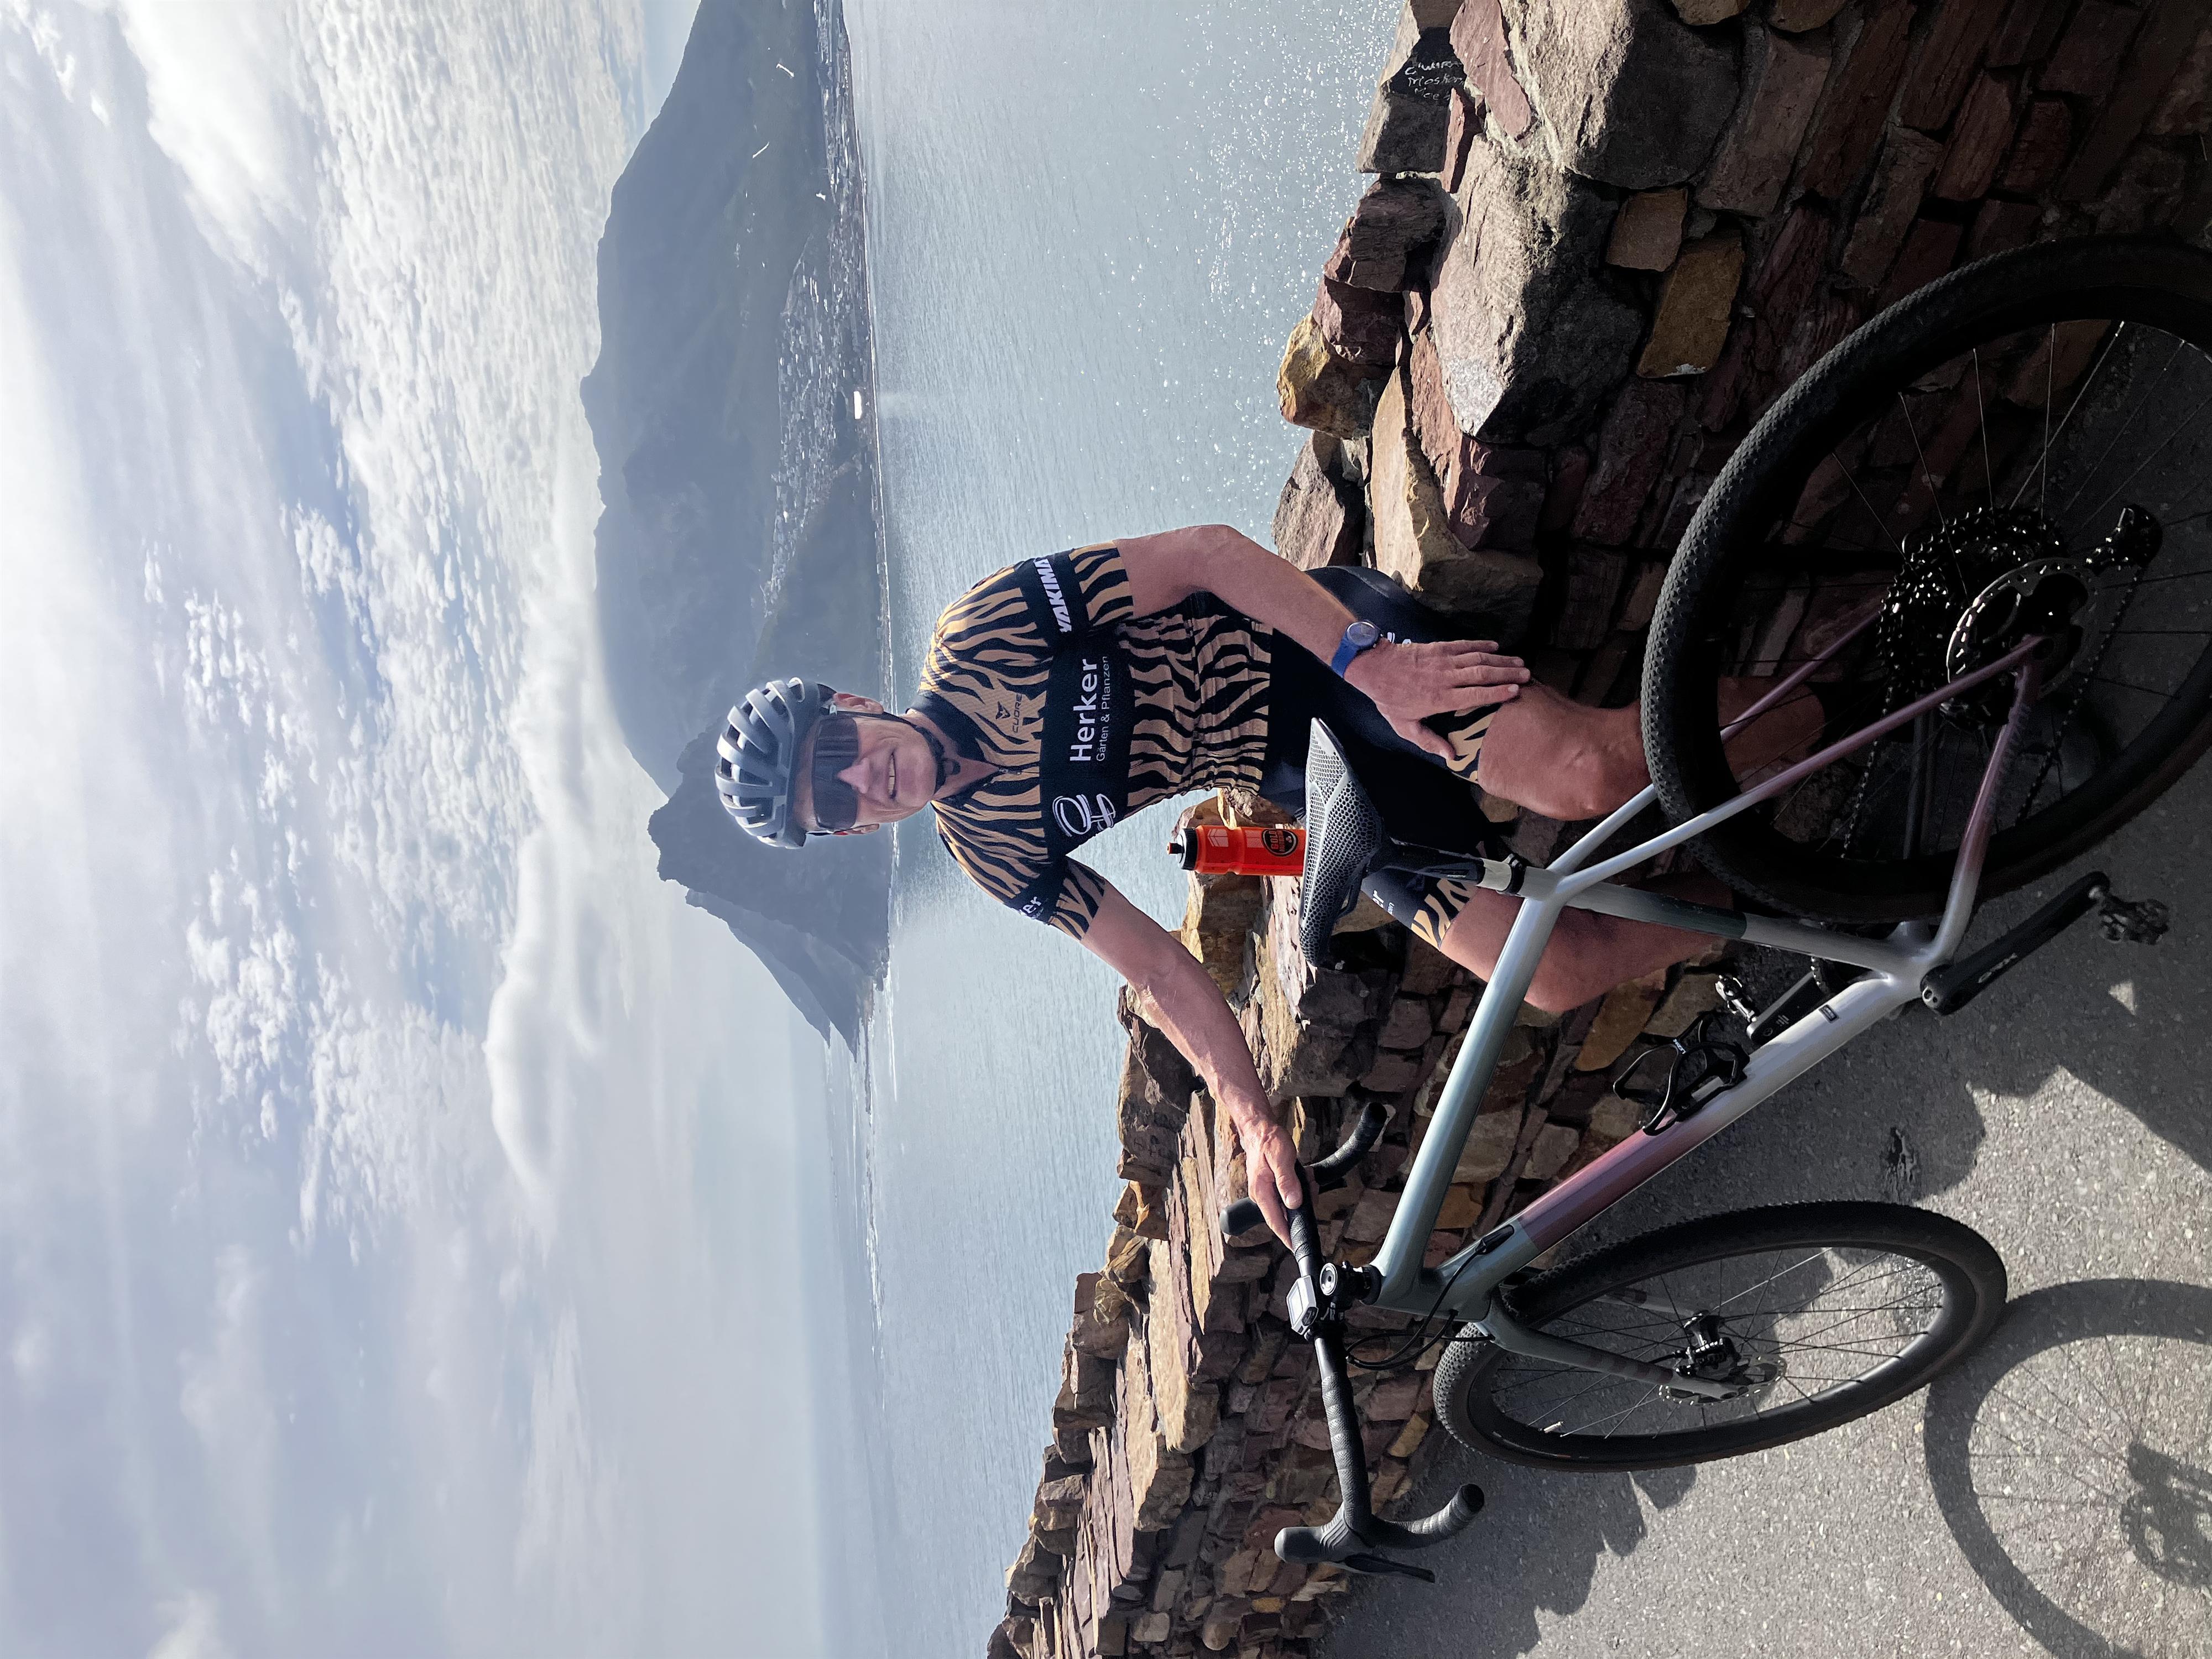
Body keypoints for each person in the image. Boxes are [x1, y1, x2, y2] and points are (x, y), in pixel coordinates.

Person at [715, 525, 1814, 1246]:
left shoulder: (982, 633)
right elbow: (1154, 967)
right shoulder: (989, 851)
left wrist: (1372, 664)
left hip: (1324, 656)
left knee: (1585, 776)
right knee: (1553, 970)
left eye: (837, 753)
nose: (862, 781)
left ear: (852, 703)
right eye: (836, 806)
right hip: (1306, 778)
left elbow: (1203, 554)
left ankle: (1843, 703)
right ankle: (1793, 901)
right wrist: (1251, 1121)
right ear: (853, 831)